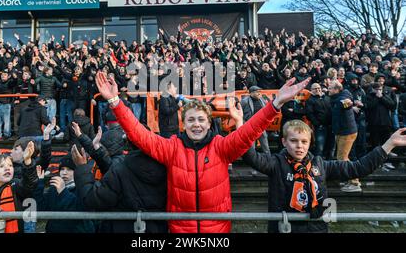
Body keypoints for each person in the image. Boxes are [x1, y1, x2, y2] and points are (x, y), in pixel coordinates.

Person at [94, 71, 310, 233]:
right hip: (180, 231)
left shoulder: (220, 146)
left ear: (209, 123)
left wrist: (276, 104)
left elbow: (248, 133)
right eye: (191, 120)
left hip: (217, 231)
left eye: (201, 120)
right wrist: (115, 102)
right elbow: (138, 133)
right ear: (183, 123)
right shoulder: (171, 147)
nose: (196, 125)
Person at [242, 119, 406, 233]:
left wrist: (389, 144)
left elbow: (359, 168)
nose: (299, 146)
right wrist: (240, 123)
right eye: (294, 140)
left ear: (309, 143)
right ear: (284, 142)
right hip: (284, 228)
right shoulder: (275, 163)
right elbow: (251, 156)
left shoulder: (320, 164)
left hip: (316, 228)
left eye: (304, 141)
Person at [72, 129, 168, 233]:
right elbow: (109, 167)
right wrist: (97, 149)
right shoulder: (168, 169)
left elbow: (93, 200)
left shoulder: (121, 170)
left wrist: (82, 168)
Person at [33, 156, 95, 233]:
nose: (64, 173)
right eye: (62, 169)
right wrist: (39, 183)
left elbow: (78, 213)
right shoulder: (54, 188)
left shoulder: (84, 188)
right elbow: (41, 208)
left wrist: (63, 191)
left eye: (69, 169)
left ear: (77, 171)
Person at [329, 80, 360, 192]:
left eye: (330, 88)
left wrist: (349, 103)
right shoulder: (337, 97)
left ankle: (355, 182)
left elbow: (347, 103)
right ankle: (348, 180)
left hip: (347, 132)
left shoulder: (344, 96)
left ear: (337, 89)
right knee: (342, 157)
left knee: (343, 158)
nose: (328, 90)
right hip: (341, 132)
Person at [305, 83, 333, 158]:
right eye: (315, 88)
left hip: (330, 126)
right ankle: (319, 164)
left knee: (330, 147)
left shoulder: (327, 98)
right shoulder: (310, 100)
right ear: (311, 90)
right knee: (319, 148)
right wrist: (317, 123)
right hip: (320, 127)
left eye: (318, 88)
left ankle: (329, 165)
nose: (317, 90)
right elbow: (309, 114)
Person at [241, 86, 270, 155]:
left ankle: (268, 157)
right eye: (257, 92)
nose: (259, 93)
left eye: (259, 92)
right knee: (252, 144)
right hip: (250, 125)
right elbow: (239, 113)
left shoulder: (262, 99)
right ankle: (252, 159)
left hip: (260, 125)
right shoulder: (244, 101)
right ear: (251, 93)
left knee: (265, 142)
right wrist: (244, 123)